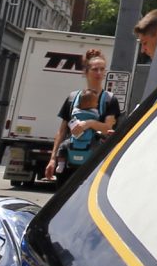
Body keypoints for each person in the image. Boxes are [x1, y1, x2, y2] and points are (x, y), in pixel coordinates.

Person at [51, 49, 121, 178]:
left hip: (96, 168)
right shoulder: (73, 97)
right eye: (95, 69)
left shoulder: (110, 99)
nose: (99, 73)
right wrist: (53, 159)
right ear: (86, 72)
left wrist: (89, 123)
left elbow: (108, 129)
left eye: (102, 69)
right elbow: (61, 131)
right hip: (69, 165)